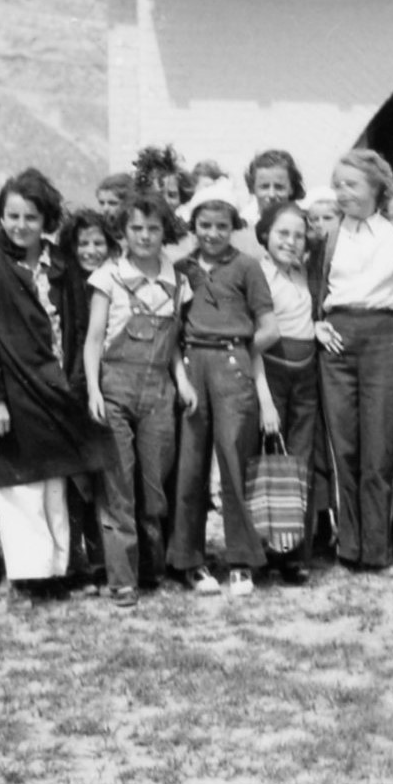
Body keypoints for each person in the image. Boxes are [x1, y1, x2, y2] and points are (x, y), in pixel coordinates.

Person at [0, 168, 112, 609]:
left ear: (45, 218)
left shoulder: (62, 266)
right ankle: (27, 576)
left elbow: (77, 327)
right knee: (19, 489)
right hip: (13, 393)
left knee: (54, 486)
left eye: (30, 216)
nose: (20, 225)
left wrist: (76, 382)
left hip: (57, 391)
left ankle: (56, 570)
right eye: (11, 216)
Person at [84, 191, 197, 608]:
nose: (145, 236)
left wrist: (182, 382)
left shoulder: (178, 281)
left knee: (154, 487)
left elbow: (171, 345)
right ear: (122, 232)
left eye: (153, 228)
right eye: (136, 228)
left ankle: (151, 569)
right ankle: (122, 579)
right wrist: (94, 390)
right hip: (114, 389)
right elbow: (94, 339)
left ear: (165, 231)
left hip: (158, 392)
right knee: (118, 488)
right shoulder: (108, 276)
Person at [169, 186, 282, 597]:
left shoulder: (247, 267)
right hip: (192, 363)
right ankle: (190, 560)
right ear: (193, 226)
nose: (212, 234)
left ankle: (241, 560)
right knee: (190, 462)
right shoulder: (180, 268)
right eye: (204, 225)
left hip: (234, 363)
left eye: (221, 226)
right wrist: (182, 371)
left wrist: (240, 350)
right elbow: (172, 326)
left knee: (235, 459)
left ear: (234, 227)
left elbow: (270, 327)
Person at [316, 149, 393, 575]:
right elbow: (311, 286)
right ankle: (348, 547)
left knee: (379, 447)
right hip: (336, 340)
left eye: (351, 184)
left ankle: (377, 549)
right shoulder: (328, 236)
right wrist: (318, 324)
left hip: (381, 338)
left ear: (375, 188)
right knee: (344, 447)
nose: (342, 192)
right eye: (338, 184)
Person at [56, 208, 121, 593]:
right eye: (83, 243)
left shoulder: (112, 280)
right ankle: (76, 558)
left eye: (99, 242)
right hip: (72, 387)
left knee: (100, 477)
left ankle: (102, 559)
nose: (91, 250)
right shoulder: (65, 282)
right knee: (74, 479)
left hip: (102, 384)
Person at [256, 201, 321, 584]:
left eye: (298, 235)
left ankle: (295, 552)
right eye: (283, 233)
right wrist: (264, 397)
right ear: (265, 235)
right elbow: (255, 341)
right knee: (273, 463)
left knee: (300, 461)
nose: (291, 242)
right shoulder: (257, 274)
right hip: (272, 372)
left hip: (306, 375)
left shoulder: (305, 274)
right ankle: (267, 552)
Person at [236, 149, 306, 257]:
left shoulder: (304, 224)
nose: (272, 195)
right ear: (252, 188)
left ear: (291, 188)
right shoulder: (242, 227)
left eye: (279, 187)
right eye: (264, 187)